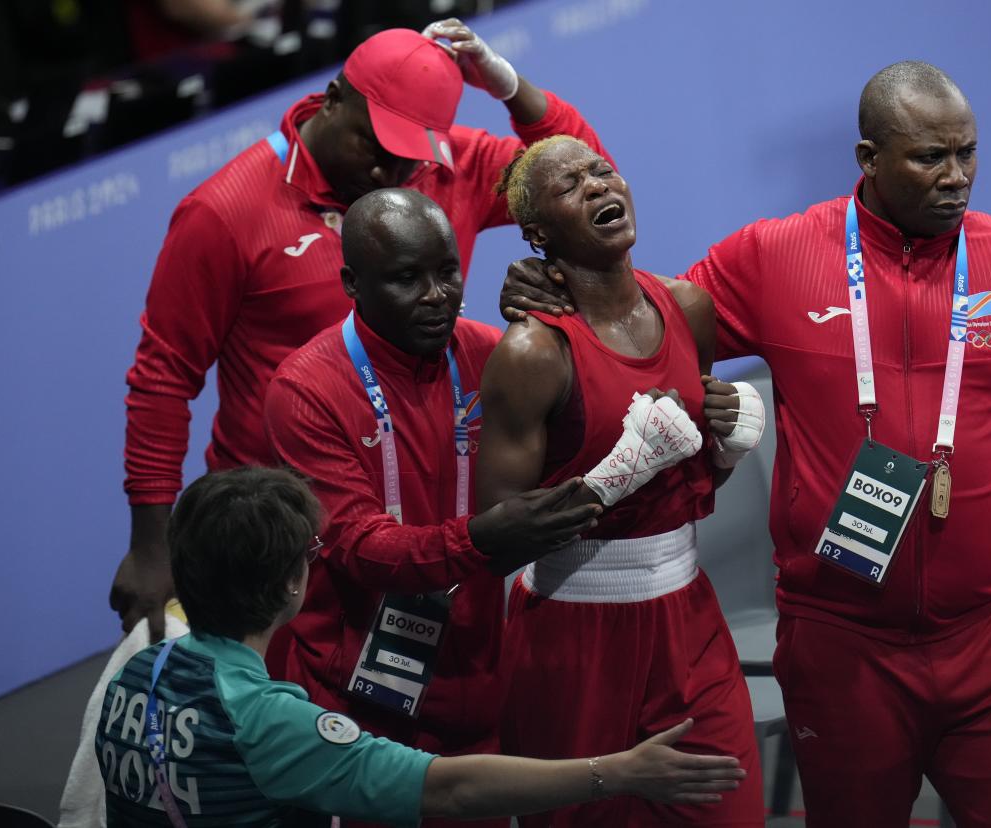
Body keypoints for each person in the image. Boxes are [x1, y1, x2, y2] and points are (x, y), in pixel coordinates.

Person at [499, 63, 991, 827]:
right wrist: (557, 287)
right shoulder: (775, 256)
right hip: (841, 647)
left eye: (967, 153)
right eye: (930, 157)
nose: (956, 177)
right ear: (868, 159)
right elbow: (638, 331)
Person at [112, 19, 612, 642]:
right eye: (373, 146)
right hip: (277, 526)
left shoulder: (440, 167)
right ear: (333, 97)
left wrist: (508, 86)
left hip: (416, 508)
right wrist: (151, 547)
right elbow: (164, 379)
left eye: (408, 153)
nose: (387, 172)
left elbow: (586, 181)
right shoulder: (224, 212)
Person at [96, 465, 747, 828]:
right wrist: (618, 771)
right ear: (295, 582)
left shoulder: (131, 677)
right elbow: (449, 790)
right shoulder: (268, 722)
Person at [262, 187, 608, 828]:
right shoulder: (304, 391)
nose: (436, 295)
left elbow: (602, 430)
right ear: (352, 283)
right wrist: (482, 541)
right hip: (361, 702)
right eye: (405, 278)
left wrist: (571, 312)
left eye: (447, 271)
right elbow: (361, 547)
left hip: (492, 681)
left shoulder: (499, 356)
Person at [476, 135, 766, 827]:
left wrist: (725, 449)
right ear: (539, 234)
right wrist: (615, 474)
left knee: (731, 813)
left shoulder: (690, 309)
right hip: (573, 641)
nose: (599, 185)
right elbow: (495, 534)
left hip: (690, 622)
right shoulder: (531, 354)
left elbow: (687, 489)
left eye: (602, 171)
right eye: (571, 185)